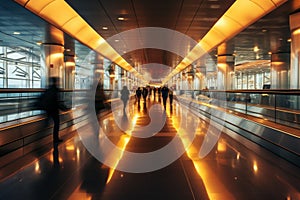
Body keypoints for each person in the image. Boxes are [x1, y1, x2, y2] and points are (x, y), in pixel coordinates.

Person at [41, 77, 68, 144]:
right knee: (56, 124)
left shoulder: (48, 89)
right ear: (56, 82)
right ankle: (55, 139)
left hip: (48, 109)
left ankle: (39, 139)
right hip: (54, 110)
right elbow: (57, 101)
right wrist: (64, 108)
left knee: (46, 124)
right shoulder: (56, 90)